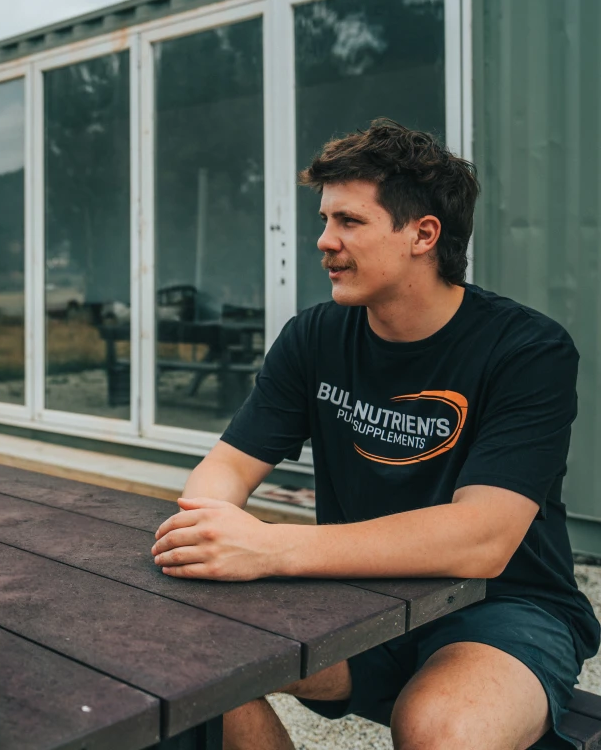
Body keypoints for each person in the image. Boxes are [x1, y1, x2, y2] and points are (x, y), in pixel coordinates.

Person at [151, 119, 600, 750]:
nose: (323, 241)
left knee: (440, 729)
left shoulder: (527, 349)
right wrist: (209, 527)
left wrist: (272, 549)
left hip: (503, 608)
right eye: (326, 219)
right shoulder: (314, 337)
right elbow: (226, 468)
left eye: (349, 222)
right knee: (175, 661)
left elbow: (483, 541)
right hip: (352, 597)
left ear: (422, 234)